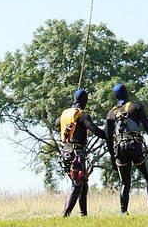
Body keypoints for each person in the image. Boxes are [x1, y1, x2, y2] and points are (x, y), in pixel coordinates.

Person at [105, 83, 148, 215]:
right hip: (135, 146)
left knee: (125, 183)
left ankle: (123, 211)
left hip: (119, 149)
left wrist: (113, 158)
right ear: (127, 93)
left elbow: (108, 139)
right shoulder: (136, 106)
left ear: (116, 96)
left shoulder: (110, 114)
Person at [55, 88, 107, 218]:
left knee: (83, 184)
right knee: (77, 185)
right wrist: (108, 135)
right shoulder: (82, 115)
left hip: (66, 152)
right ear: (84, 100)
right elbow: (94, 130)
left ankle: (84, 215)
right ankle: (65, 215)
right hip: (77, 153)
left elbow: (57, 123)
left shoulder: (65, 114)